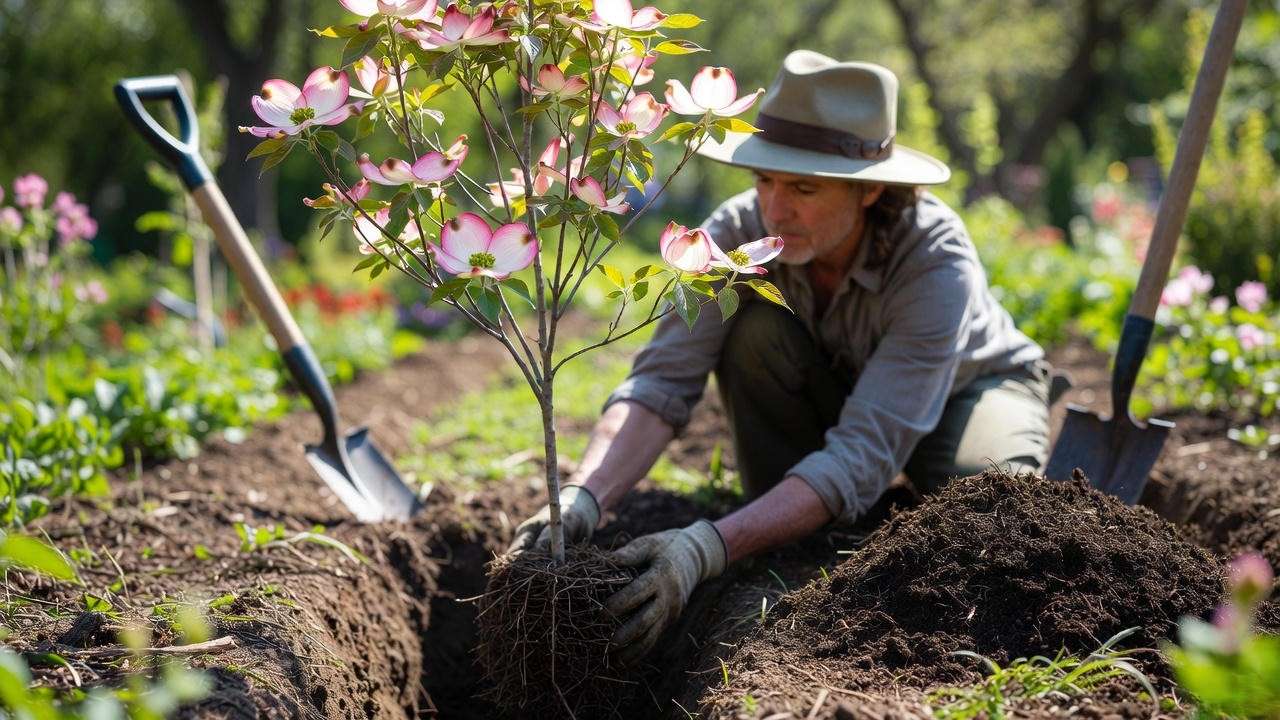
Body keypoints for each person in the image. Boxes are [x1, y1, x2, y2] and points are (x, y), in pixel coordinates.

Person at [509, 50, 1053, 664]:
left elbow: (865, 449)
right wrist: (586, 495)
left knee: (989, 504)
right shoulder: (734, 234)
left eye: (802, 187)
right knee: (751, 328)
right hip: (830, 392)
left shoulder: (933, 261)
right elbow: (662, 384)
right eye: (765, 179)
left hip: (969, 387)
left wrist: (704, 548)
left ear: (871, 187)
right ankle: (801, 527)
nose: (774, 209)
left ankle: (858, 509)